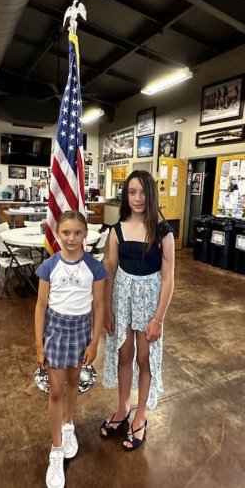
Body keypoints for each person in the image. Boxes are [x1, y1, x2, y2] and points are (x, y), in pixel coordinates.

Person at [100, 170, 175, 451]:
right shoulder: (116, 229)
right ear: (125, 195)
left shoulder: (163, 231)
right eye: (132, 192)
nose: (138, 198)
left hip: (149, 302)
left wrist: (158, 319)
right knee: (124, 354)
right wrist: (106, 310)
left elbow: (168, 278)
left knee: (144, 357)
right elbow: (110, 269)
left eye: (143, 192)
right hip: (122, 299)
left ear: (151, 194)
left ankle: (141, 413)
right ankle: (123, 408)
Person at [35, 210, 107, 488]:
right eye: (66, 232)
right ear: (57, 235)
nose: (72, 238)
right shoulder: (49, 266)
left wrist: (94, 340)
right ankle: (55, 450)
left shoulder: (95, 268)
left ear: (85, 234)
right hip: (54, 330)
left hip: (80, 330)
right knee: (55, 391)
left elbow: (99, 306)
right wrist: (38, 344)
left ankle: (68, 425)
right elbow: (41, 306)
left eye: (78, 232)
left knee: (74, 380)